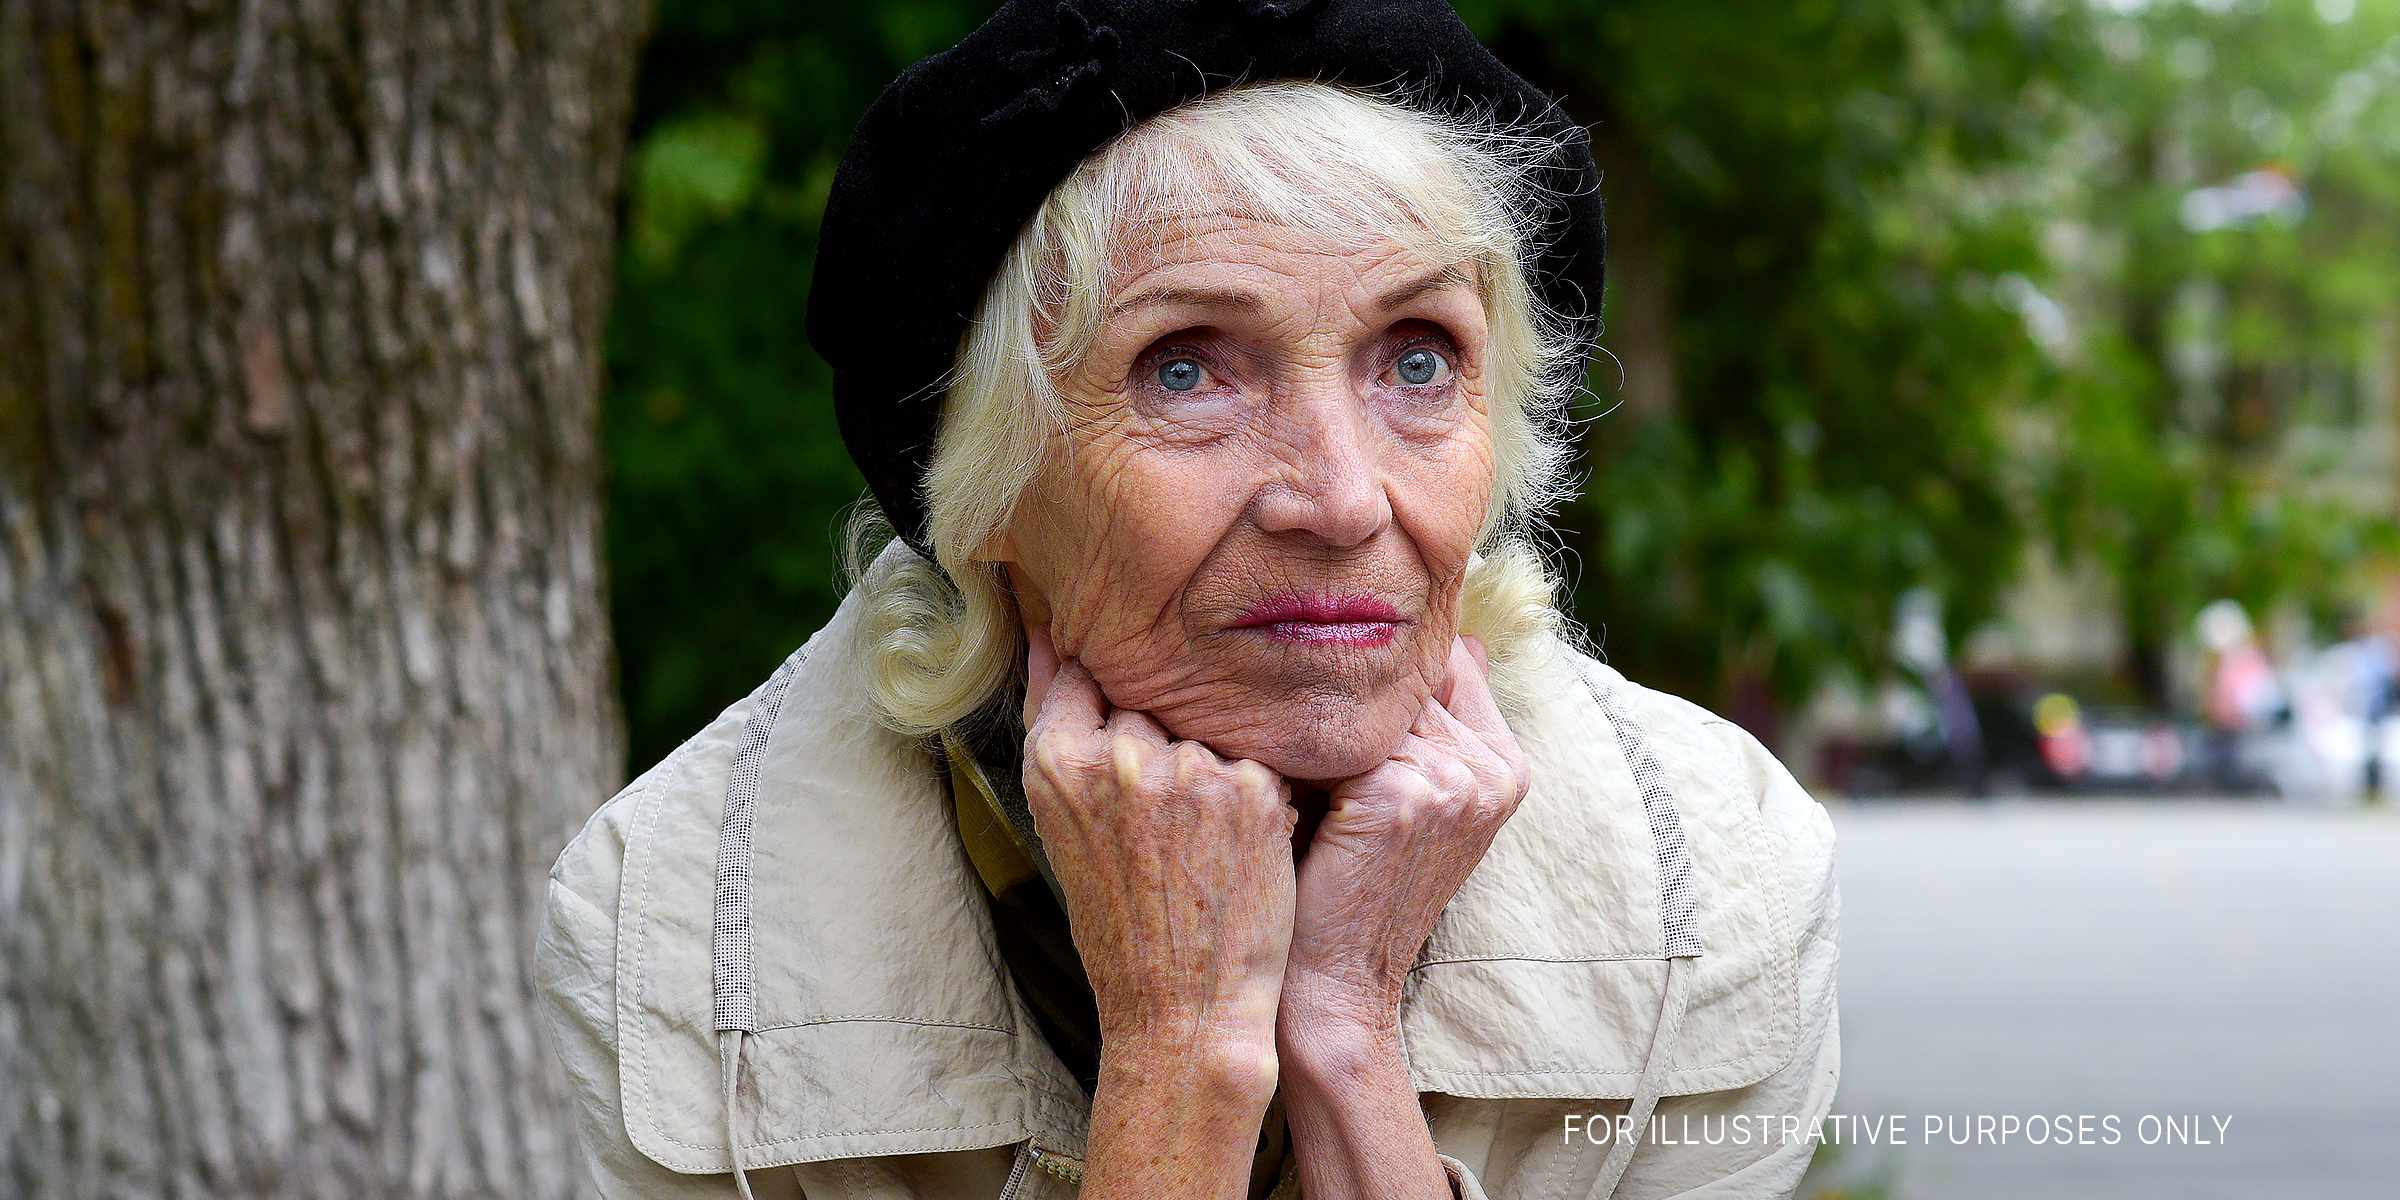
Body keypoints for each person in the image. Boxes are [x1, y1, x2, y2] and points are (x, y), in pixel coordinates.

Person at [535, 3, 1838, 1197]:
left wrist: (1343, 1036)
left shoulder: (1712, 892)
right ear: (982, 488)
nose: (1339, 500)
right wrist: (1183, 1052)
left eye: (1420, 360)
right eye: (1184, 373)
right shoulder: (680, 932)